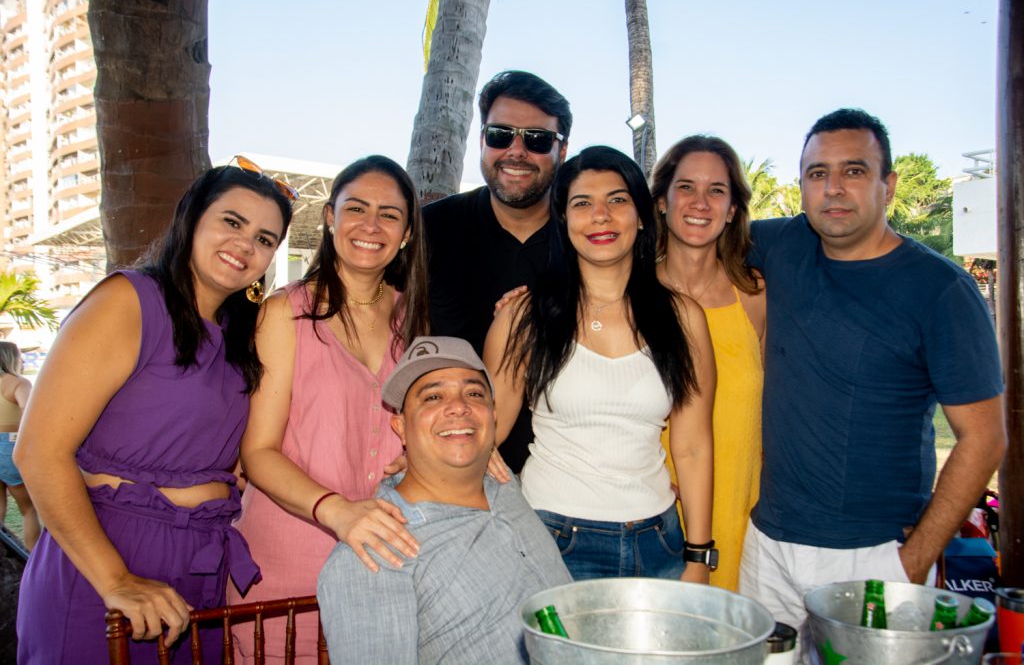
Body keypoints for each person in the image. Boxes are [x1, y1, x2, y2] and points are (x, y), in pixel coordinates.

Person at [738, 108, 1006, 655]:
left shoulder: (941, 290)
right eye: (817, 173)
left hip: (874, 557)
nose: (833, 188)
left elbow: (984, 439)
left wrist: (914, 561)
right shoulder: (783, 245)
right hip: (765, 547)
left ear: (889, 185)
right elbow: (686, 227)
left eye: (854, 171)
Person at [14, 157, 295, 664]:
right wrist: (116, 579)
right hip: (106, 563)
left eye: (265, 239)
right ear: (191, 219)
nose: (245, 245)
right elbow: (38, 450)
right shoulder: (128, 300)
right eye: (232, 222)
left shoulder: (239, 337)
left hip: (199, 573)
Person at [484, 145, 716, 582]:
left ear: (643, 215)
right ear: (564, 221)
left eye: (617, 199)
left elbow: (693, 445)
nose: (601, 215)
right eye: (582, 204)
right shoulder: (523, 317)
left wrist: (699, 556)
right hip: (551, 540)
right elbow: (485, 428)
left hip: (659, 540)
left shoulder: (684, 318)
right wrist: (428, 456)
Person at [231, 155, 429, 662]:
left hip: (381, 564)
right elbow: (257, 451)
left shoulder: (417, 321)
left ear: (406, 233)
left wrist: (418, 456)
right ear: (330, 219)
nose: (370, 224)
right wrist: (335, 511)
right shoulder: (284, 311)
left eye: (389, 214)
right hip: (285, 563)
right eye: (356, 208)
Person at [317, 336, 572, 664]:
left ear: (493, 417)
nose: (458, 406)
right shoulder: (377, 551)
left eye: (474, 393)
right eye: (433, 396)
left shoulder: (504, 485)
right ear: (401, 428)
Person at [424, 70, 571, 473]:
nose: (516, 151)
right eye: (501, 135)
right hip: (447, 472)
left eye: (538, 140)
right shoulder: (429, 231)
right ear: (482, 140)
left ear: (563, 150)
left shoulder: (587, 240)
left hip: (569, 488)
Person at [650, 136, 766, 592]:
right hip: (651, 513)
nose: (701, 203)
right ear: (661, 201)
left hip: (739, 508)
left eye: (717, 190)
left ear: (734, 207)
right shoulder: (630, 293)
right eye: (686, 187)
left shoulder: (754, 295)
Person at [0, 341, 39, 550]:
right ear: (12, 358)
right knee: (28, 509)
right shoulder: (19, 383)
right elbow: (28, 415)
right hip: (9, 446)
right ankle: (32, 559)